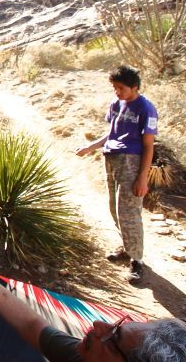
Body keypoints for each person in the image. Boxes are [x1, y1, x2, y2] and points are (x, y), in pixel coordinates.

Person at [0, 220, 186, 362]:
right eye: (118, 324)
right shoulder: (85, 356)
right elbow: (32, 324)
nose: (100, 324)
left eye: (113, 339)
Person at [75, 65, 158, 283]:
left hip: (131, 161)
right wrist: (90, 147)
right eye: (114, 87)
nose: (117, 92)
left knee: (129, 211)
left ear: (134, 87)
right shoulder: (115, 104)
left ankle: (137, 261)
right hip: (111, 157)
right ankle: (126, 247)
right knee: (115, 208)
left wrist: (143, 177)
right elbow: (111, 133)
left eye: (121, 88)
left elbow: (149, 145)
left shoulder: (145, 108)